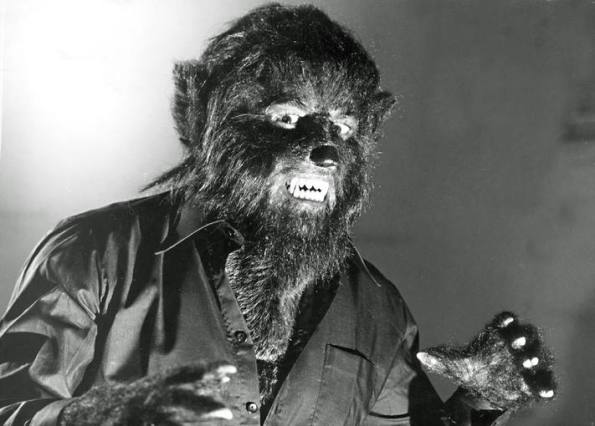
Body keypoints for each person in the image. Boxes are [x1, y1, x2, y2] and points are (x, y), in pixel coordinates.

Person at [0, 4, 554, 425]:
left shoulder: (379, 310)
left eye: (344, 127)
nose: (327, 151)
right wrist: (109, 415)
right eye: (288, 117)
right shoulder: (96, 253)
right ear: (206, 122)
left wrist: (481, 400)